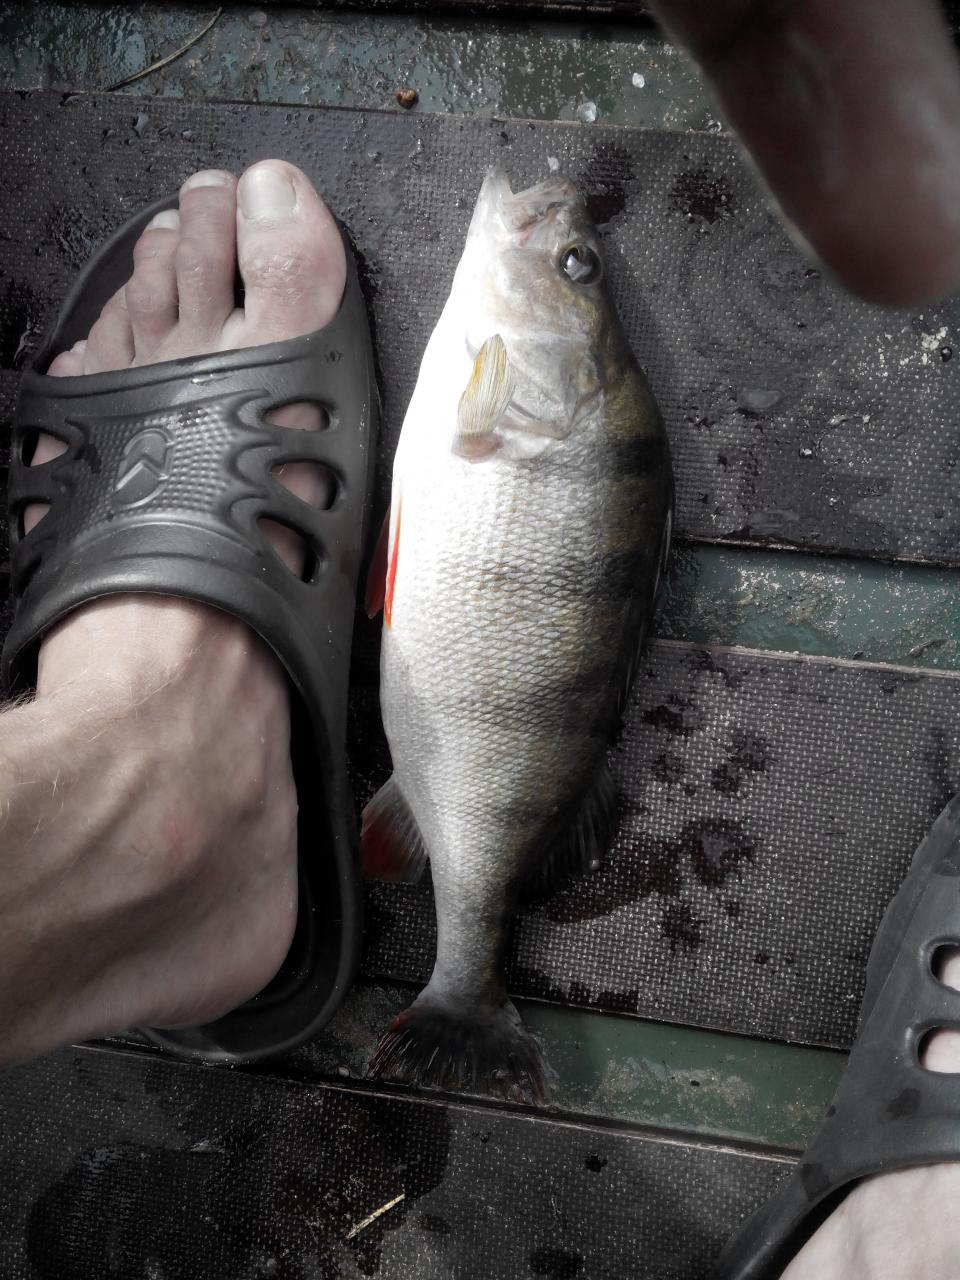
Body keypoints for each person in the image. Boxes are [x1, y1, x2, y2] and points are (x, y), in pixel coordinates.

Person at [1, 0, 959, 1275]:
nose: (563, 237)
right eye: (579, 265)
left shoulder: (518, 398)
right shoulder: (539, 393)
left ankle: (127, 790)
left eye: (577, 271)